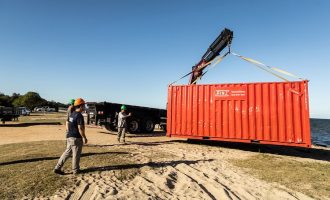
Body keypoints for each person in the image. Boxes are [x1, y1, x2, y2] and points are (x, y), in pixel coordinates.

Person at [54, 98, 88, 175]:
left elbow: (68, 124)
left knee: (66, 153)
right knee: (76, 154)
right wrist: (84, 137)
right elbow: (80, 128)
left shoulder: (72, 114)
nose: (85, 107)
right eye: (84, 105)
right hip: (76, 138)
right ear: (81, 106)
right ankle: (75, 170)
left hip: (69, 137)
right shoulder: (79, 116)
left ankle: (57, 167)